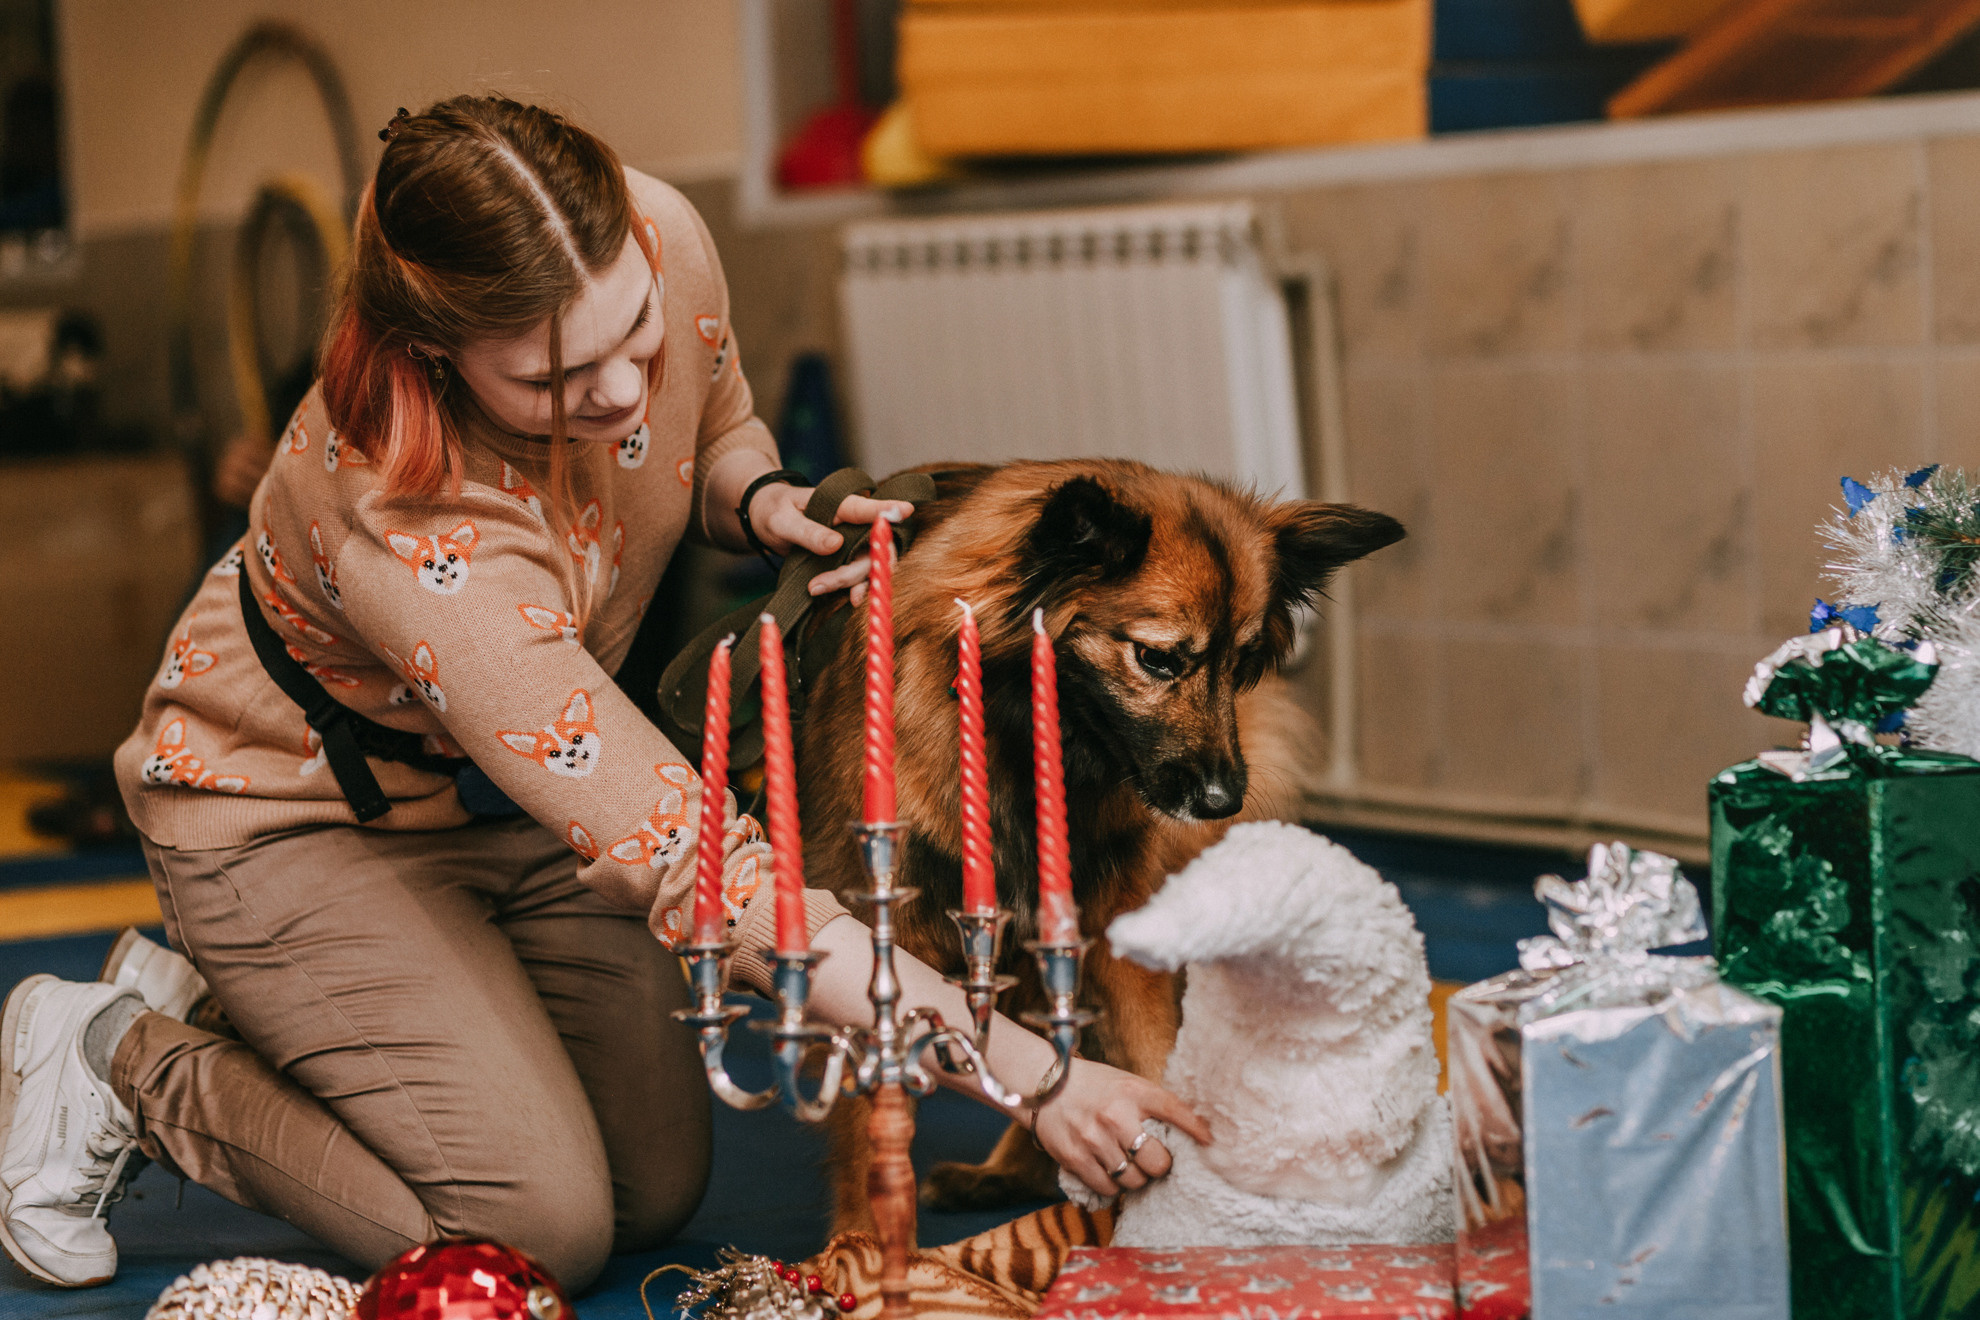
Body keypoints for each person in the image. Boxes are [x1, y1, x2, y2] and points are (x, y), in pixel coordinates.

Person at [0, 97, 1208, 1292]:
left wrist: (760, 501)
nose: (626, 392)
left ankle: (283, 1013)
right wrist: (1036, 1075)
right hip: (301, 818)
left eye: (637, 336)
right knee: (536, 1226)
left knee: (649, 1190)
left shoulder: (662, 233)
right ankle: (117, 1057)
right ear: (438, 356)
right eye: (555, 378)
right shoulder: (405, 522)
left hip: (526, 808)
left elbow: (712, 420)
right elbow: (701, 868)